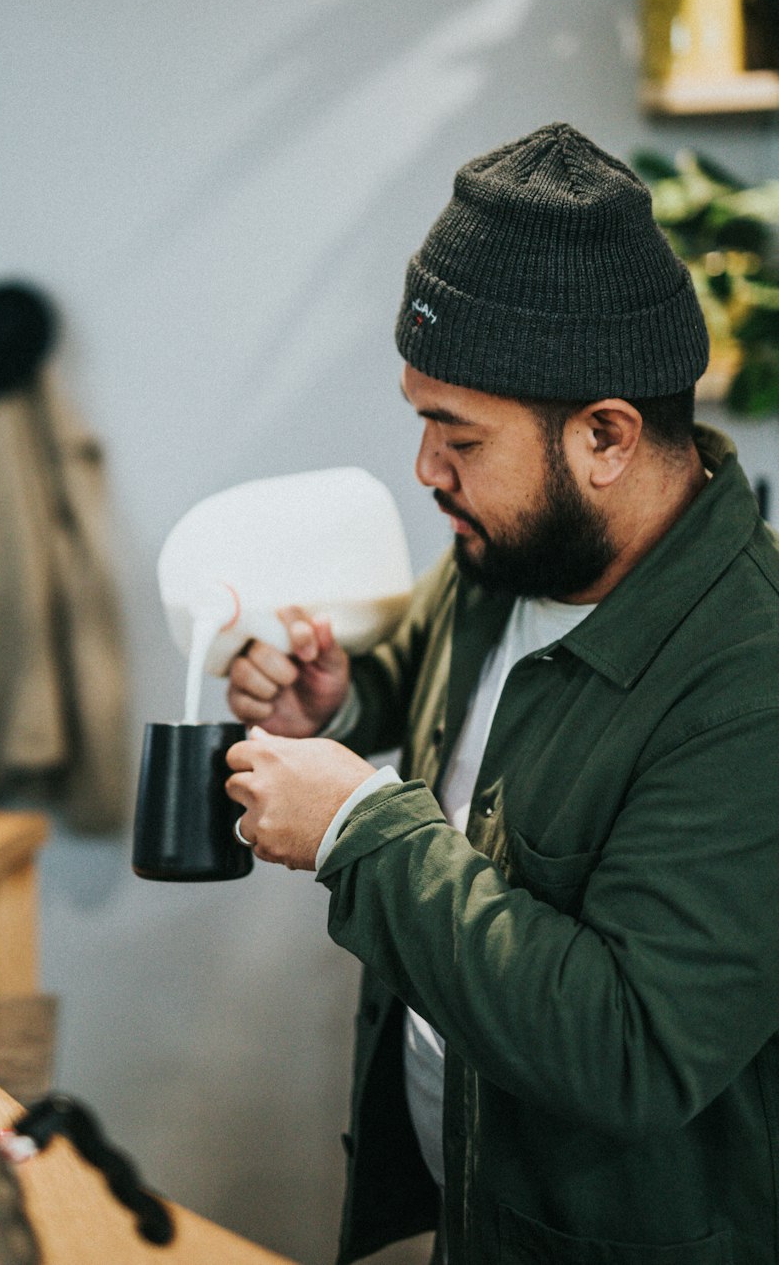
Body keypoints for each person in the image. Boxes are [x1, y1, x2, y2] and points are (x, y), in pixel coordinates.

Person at [224, 122, 779, 1265]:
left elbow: (636, 1048)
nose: (426, 470)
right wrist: (335, 704)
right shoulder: (508, 553)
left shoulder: (750, 681)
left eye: (455, 433)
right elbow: (433, 685)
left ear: (605, 437)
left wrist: (354, 831)